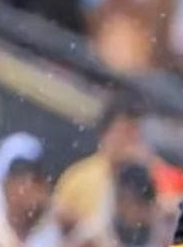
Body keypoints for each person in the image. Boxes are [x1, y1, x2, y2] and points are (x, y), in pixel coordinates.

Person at [52, 95, 154, 232]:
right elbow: (58, 221)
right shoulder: (80, 177)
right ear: (106, 133)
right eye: (126, 131)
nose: (133, 139)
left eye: (136, 132)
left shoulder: (144, 179)